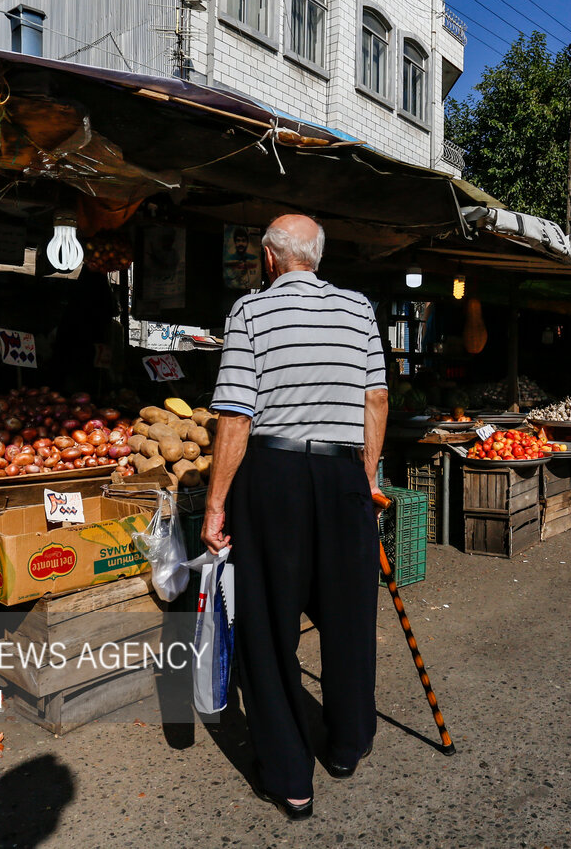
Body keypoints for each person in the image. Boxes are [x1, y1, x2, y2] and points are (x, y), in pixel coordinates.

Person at [201, 215, 387, 821]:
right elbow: (376, 397)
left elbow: (235, 413)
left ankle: (289, 777)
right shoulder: (359, 309)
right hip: (342, 473)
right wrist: (367, 474)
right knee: (348, 612)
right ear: (318, 258)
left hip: (274, 475)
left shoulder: (250, 313)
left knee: (269, 622)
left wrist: (216, 502)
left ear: (271, 259)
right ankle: (347, 743)